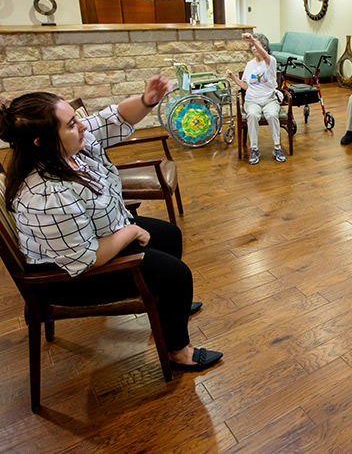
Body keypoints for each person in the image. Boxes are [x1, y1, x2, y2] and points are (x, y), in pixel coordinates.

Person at [0, 79, 222, 371]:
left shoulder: (67, 146)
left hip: (93, 234)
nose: (81, 126)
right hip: (69, 277)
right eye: (70, 124)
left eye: (76, 118)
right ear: (40, 142)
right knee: (177, 275)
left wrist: (147, 99)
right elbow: (86, 258)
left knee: (170, 236)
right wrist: (131, 230)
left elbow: (114, 117)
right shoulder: (46, 194)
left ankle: (167, 306)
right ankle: (177, 352)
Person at [226, 32, 286, 165]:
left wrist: (253, 40)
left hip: (269, 99)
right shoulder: (249, 65)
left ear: (264, 46)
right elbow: (246, 85)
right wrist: (233, 78)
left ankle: (277, 147)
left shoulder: (270, 61)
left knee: (271, 114)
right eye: (252, 46)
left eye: (256, 45)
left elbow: (264, 55)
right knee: (252, 115)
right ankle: (254, 149)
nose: (253, 47)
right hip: (252, 100)